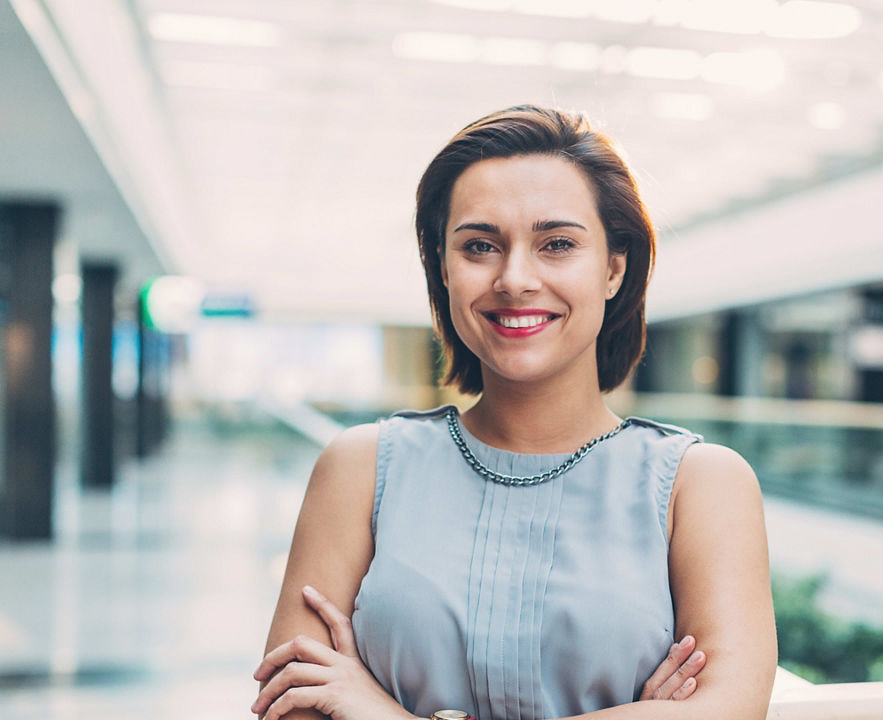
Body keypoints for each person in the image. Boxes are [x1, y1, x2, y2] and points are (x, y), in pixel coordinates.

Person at [250, 105, 776, 720]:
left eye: (556, 244)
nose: (515, 278)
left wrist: (385, 712)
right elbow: (295, 702)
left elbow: (730, 709)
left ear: (614, 267)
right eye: (479, 246)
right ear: (442, 270)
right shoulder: (361, 467)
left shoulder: (703, 484)